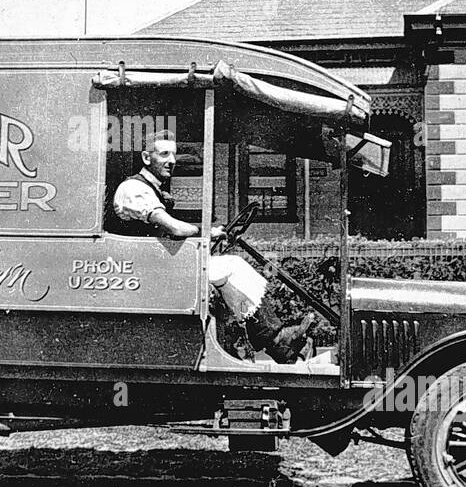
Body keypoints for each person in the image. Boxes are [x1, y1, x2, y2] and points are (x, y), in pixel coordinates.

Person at [110, 130, 317, 363]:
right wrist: (205, 232)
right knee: (231, 266)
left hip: (157, 266)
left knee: (226, 270)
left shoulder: (152, 188)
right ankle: (275, 340)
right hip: (144, 271)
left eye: (174, 155)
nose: (172, 161)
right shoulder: (134, 189)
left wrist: (211, 233)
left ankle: (273, 340)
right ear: (147, 158)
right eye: (164, 154)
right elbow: (175, 229)